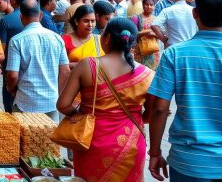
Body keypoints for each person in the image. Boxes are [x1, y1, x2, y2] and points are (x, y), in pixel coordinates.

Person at [148, 0, 222, 182]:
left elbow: (160, 109)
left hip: (188, 163)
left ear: (195, 13)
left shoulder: (174, 54)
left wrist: (154, 153)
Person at [57, 18, 154, 181]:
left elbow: (63, 105)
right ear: (133, 43)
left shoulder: (87, 65)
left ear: (107, 38)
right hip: (131, 142)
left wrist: (79, 116)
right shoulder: (147, 74)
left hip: (92, 140)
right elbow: (151, 115)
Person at [6, 0, 69, 122]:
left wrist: (12, 89)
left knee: (24, 139)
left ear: (21, 17)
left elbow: (12, 75)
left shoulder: (17, 40)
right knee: (48, 140)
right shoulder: (57, 38)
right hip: (51, 102)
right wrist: (57, 94)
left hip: (25, 102)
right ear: (40, 15)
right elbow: (65, 71)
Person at [0, 0, 30, 111]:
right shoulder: (33, 18)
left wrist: (0, 64)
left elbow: (2, 48)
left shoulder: (6, 20)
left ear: (12, 0)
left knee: (9, 98)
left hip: (10, 65)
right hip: (29, 63)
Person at [131, 0, 160, 70]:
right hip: (139, 51)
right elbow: (133, 34)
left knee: (152, 72)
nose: (149, 7)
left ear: (154, 6)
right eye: (146, 5)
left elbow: (161, 35)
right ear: (143, 5)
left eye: (151, 5)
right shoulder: (136, 18)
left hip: (153, 51)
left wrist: (153, 34)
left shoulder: (157, 19)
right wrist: (147, 31)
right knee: (140, 72)